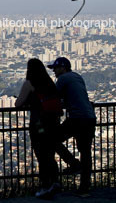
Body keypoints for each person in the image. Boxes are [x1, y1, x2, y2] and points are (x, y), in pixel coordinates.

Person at [47, 57, 96, 197]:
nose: (54, 71)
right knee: (86, 152)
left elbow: (53, 97)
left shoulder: (63, 79)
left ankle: (73, 163)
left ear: (63, 68)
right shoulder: (77, 77)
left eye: (56, 68)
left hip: (77, 118)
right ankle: (85, 189)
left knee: (52, 139)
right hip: (89, 117)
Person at [16, 58, 62, 199]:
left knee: (41, 153)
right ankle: (55, 182)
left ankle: (45, 186)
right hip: (53, 122)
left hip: (39, 125)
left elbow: (18, 103)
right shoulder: (49, 83)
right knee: (49, 152)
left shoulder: (29, 83)